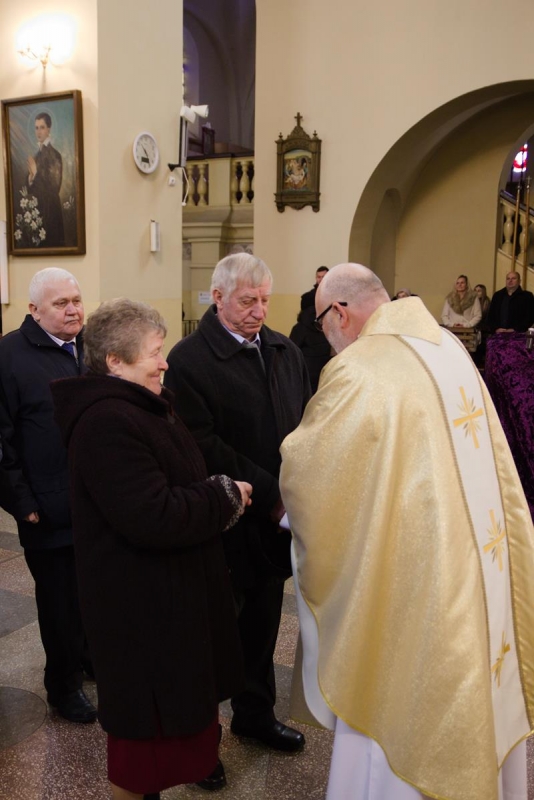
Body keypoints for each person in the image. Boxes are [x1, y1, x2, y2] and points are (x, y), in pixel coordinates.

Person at [280, 263, 534, 800]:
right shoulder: (448, 346)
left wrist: (286, 508)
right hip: (475, 566)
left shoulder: (361, 367)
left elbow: (312, 470)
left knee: (401, 698)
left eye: (323, 325)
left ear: (339, 313)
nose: (327, 339)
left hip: (412, 581)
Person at [51, 298, 252, 800]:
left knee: (165, 741)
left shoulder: (142, 405)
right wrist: (224, 495)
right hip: (140, 613)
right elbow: (152, 514)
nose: (165, 363)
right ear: (115, 362)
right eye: (154, 352)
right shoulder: (106, 421)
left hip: (166, 601)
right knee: (139, 755)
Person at [164, 253, 310, 788]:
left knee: (263, 626)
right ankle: (200, 746)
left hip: (273, 524)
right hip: (223, 520)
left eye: (265, 300)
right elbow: (201, 443)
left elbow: (306, 423)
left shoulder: (284, 350)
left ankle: (255, 715)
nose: (259, 311)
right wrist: (271, 492)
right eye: (248, 301)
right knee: (209, 640)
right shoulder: (188, 360)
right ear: (218, 296)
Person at [0, 267, 95, 723]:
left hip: (94, 503)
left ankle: (89, 659)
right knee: (59, 604)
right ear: (34, 310)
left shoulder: (89, 347)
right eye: (61, 304)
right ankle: (63, 685)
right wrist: (23, 504)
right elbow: (2, 440)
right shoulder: (9, 355)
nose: (73, 310)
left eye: (76, 300)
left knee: (91, 592)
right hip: (45, 507)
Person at [26, 112, 65, 247]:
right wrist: (31, 178)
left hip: (51, 212)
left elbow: (54, 188)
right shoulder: (36, 156)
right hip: (39, 211)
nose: (39, 132)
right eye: (36, 128)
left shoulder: (55, 155)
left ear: (49, 129)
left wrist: (36, 173)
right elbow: (31, 190)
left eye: (42, 127)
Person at [289, 305, 332, 393]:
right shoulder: (326, 326)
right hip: (324, 373)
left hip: (305, 374)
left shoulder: (299, 328)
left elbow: (291, 352)